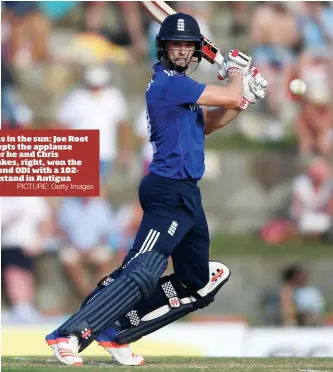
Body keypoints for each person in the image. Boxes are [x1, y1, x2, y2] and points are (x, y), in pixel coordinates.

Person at [45, 12, 268, 366]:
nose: (181, 51)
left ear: (196, 50)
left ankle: (117, 333)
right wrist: (238, 74)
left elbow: (210, 123)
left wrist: (243, 100)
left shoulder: (182, 91)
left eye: (186, 45)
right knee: (142, 268)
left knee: (199, 280)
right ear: (163, 48)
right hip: (167, 189)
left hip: (186, 194)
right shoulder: (169, 84)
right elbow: (226, 96)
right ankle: (70, 333)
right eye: (175, 45)